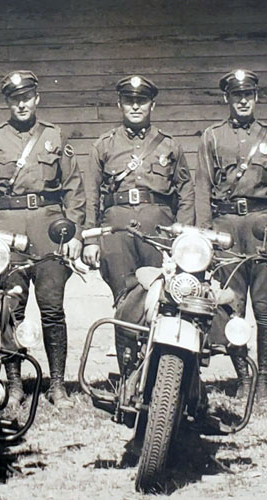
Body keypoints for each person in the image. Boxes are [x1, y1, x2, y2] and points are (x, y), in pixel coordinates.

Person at [0, 70, 85, 406]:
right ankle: (16, 384)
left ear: (37, 98)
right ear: (8, 101)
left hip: (49, 228)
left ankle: (57, 385)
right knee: (9, 309)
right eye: (14, 98)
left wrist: (73, 231)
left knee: (52, 308)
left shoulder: (55, 137)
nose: (21, 104)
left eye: (26, 97)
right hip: (6, 228)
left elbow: (74, 187)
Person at [80, 74, 194, 376]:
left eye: (141, 101)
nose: (134, 106)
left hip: (159, 230)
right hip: (116, 231)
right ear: (120, 104)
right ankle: (129, 377)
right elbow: (90, 195)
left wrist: (182, 237)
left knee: (164, 298)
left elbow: (186, 192)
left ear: (151, 105)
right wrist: (90, 239)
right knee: (125, 299)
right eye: (129, 101)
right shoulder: (103, 145)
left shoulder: (170, 146)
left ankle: (160, 375)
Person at [193, 69, 267, 403]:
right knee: (231, 305)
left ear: (256, 97)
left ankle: (264, 381)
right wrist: (206, 233)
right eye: (236, 95)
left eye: (248, 95)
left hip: (263, 228)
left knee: (263, 307)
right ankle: (243, 377)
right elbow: (203, 188)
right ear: (227, 99)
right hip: (226, 229)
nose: (243, 101)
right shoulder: (211, 137)